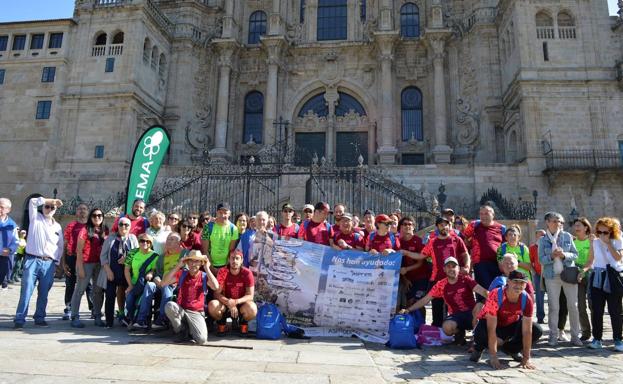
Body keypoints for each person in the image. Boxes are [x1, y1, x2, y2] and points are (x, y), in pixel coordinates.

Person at [401, 257, 488, 344]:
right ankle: (459, 333)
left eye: (454, 266)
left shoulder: (466, 279)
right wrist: (408, 309)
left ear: (458, 268)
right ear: (444, 269)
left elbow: (483, 291)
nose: (451, 269)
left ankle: (476, 341)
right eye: (448, 266)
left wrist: (497, 300)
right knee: (446, 328)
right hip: (456, 316)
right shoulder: (441, 285)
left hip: (471, 314)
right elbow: (425, 300)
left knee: (480, 306)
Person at [470, 270, 542, 370]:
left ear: (526, 285)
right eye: (515, 281)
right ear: (508, 281)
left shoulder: (527, 299)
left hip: (509, 324)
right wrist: (493, 357)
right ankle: (478, 347)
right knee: (481, 334)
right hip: (489, 324)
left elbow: (527, 331)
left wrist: (526, 358)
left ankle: (511, 349)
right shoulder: (495, 295)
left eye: (522, 283)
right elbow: (491, 329)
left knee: (537, 330)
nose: (518, 285)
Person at [14, 196, 64, 328]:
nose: (49, 209)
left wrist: (57, 263)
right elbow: (32, 202)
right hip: (32, 259)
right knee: (26, 291)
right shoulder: (36, 218)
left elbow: (60, 246)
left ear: (55, 210)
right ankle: (20, 319)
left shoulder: (57, 227)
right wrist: (51, 200)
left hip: (49, 262)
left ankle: (40, 317)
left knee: (44, 293)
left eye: (52, 207)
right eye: (47, 206)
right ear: (43, 207)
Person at [538, 211, 582, 347]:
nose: (559, 224)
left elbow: (575, 255)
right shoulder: (543, 240)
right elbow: (541, 260)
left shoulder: (568, 236)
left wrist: (564, 255)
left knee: (573, 306)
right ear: (548, 222)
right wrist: (552, 256)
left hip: (568, 274)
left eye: (561, 222)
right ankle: (553, 336)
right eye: (556, 221)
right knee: (553, 307)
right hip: (552, 276)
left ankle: (575, 336)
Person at [419, 216, 470, 326]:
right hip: (437, 279)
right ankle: (438, 329)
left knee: (454, 305)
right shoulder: (432, 242)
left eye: (446, 224)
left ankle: (456, 331)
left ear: (449, 226)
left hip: (454, 278)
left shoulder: (456, 239)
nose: (444, 227)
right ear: (437, 227)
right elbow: (420, 256)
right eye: (441, 225)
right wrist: (403, 253)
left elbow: (465, 254)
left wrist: (467, 266)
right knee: (436, 306)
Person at [161, 250, 219, 344]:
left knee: (202, 340)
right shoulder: (182, 274)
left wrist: (207, 268)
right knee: (169, 305)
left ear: (201, 263)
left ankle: (190, 330)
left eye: (197, 261)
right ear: (187, 262)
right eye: (191, 261)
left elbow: (216, 286)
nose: (193, 264)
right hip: (182, 309)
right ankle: (182, 331)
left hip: (197, 312)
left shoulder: (204, 276)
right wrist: (178, 266)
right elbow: (164, 283)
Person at [583, 217, 623, 351]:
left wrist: (608, 244)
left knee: (615, 310)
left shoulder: (617, 241)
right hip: (598, 276)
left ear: (612, 231)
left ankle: (618, 339)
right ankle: (597, 339)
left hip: (612, 276)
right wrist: (583, 270)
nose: (601, 235)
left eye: (605, 232)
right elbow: (590, 259)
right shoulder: (595, 242)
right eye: (599, 232)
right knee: (597, 310)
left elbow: (618, 258)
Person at [70, 207, 109, 328]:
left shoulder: (105, 230)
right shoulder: (85, 229)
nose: (97, 218)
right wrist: (80, 267)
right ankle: (75, 316)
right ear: (90, 217)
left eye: (99, 216)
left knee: (98, 291)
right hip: (86, 263)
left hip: (99, 264)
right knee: (80, 290)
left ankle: (97, 315)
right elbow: (79, 249)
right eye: (94, 215)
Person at [97, 216, 137, 328]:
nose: (123, 227)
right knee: (110, 295)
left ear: (130, 227)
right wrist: (108, 270)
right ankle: (109, 321)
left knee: (127, 296)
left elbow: (137, 254)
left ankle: (126, 317)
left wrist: (127, 258)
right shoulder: (110, 238)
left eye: (126, 225)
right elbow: (103, 256)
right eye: (121, 224)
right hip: (112, 272)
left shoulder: (132, 238)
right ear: (117, 226)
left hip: (127, 273)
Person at [208, 249, 257, 336]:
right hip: (225, 304)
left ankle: (242, 322)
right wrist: (228, 302)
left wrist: (235, 302)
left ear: (241, 260)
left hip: (241, 304)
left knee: (252, 308)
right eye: (232, 258)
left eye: (237, 258)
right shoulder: (223, 272)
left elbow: (250, 295)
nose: (234, 261)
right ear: (228, 260)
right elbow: (216, 294)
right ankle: (222, 322)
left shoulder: (247, 273)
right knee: (212, 305)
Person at [463, 204, 506, 296]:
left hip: (497, 263)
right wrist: (471, 247)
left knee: (497, 289)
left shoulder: (501, 228)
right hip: (480, 263)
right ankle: (483, 309)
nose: (483, 216)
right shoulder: (474, 225)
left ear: (493, 215)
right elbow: (465, 238)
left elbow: (505, 246)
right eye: (481, 214)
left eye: (486, 213)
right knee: (483, 291)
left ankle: (495, 309)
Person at [152, 232, 188, 329]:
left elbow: (185, 272)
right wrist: (157, 280)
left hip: (176, 284)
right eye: (168, 239)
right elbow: (157, 274)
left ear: (178, 242)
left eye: (172, 239)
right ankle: (141, 320)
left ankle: (162, 319)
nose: (168, 241)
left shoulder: (185, 254)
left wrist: (167, 283)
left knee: (167, 287)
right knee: (149, 286)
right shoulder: (162, 257)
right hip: (162, 283)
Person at [123, 233, 159, 328]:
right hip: (133, 283)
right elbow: (126, 269)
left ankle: (139, 320)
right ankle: (131, 319)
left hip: (145, 284)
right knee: (129, 299)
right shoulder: (132, 252)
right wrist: (130, 285)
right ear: (138, 242)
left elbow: (155, 270)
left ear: (151, 244)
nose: (145, 243)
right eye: (142, 240)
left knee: (140, 300)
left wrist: (151, 272)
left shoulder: (155, 256)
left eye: (148, 241)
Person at [61, 202, 90, 320]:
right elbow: (65, 244)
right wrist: (64, 262)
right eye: (79, 209)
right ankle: (68, 307)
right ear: (76, 212)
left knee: (89, 284)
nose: (82, 211)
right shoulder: (71, 226)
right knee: (70, 284)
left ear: (87, 212)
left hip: (86, 259)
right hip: (71, 257)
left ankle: (93, 308)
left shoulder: (90, 226)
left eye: (84, 209)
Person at [397, 216, 430, 315]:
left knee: (418, 303)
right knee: (407, 304)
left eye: (410, 224)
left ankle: (421, 326)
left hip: (421, 277)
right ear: (400, 227)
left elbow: (421, 261)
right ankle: (411, 327)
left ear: (413, 227)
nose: (407, 226)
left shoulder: (418, 241)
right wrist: (404, 279)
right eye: (404, 224)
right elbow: (397, 263)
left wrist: (407, 269)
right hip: (406, 279)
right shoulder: (398, 243)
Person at [201, 203, 239, 273]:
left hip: (226, 267)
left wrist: (224, 269)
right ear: (216, 213)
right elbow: (205, 251)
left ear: (229, 213)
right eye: (220, 213)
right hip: (209, 266)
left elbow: (231, 251)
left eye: (225, 213)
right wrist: (212, 269)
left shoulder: (233, 229)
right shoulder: (208, 227)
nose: (222, 215)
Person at [571, 217, 592, 341]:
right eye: (575, 225)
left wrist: (584, 270)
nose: (576, 227)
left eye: (579, 225)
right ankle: (586, 332)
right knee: (580, 306)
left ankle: (597, 332)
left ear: (586, 227)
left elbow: (591, 259)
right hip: (576, 275)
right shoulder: (572, 241)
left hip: (590, 274)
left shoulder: (592, 241)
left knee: (593, 305)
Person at [0, 197, 18, 290]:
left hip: (4, 257)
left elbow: (15, 241)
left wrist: (10, 249)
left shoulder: (12, 225)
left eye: (1, 207)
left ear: (8, 210)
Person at [529, 229, 546, 324]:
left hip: (548, 274)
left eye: (543, 235)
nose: (542, 237)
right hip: (538, 274)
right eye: (540, 235)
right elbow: (531, 261)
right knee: (539, 296)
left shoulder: (548, 246)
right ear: (536, 236)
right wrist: (534, 272)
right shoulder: (532, 248)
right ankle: (540, 317)